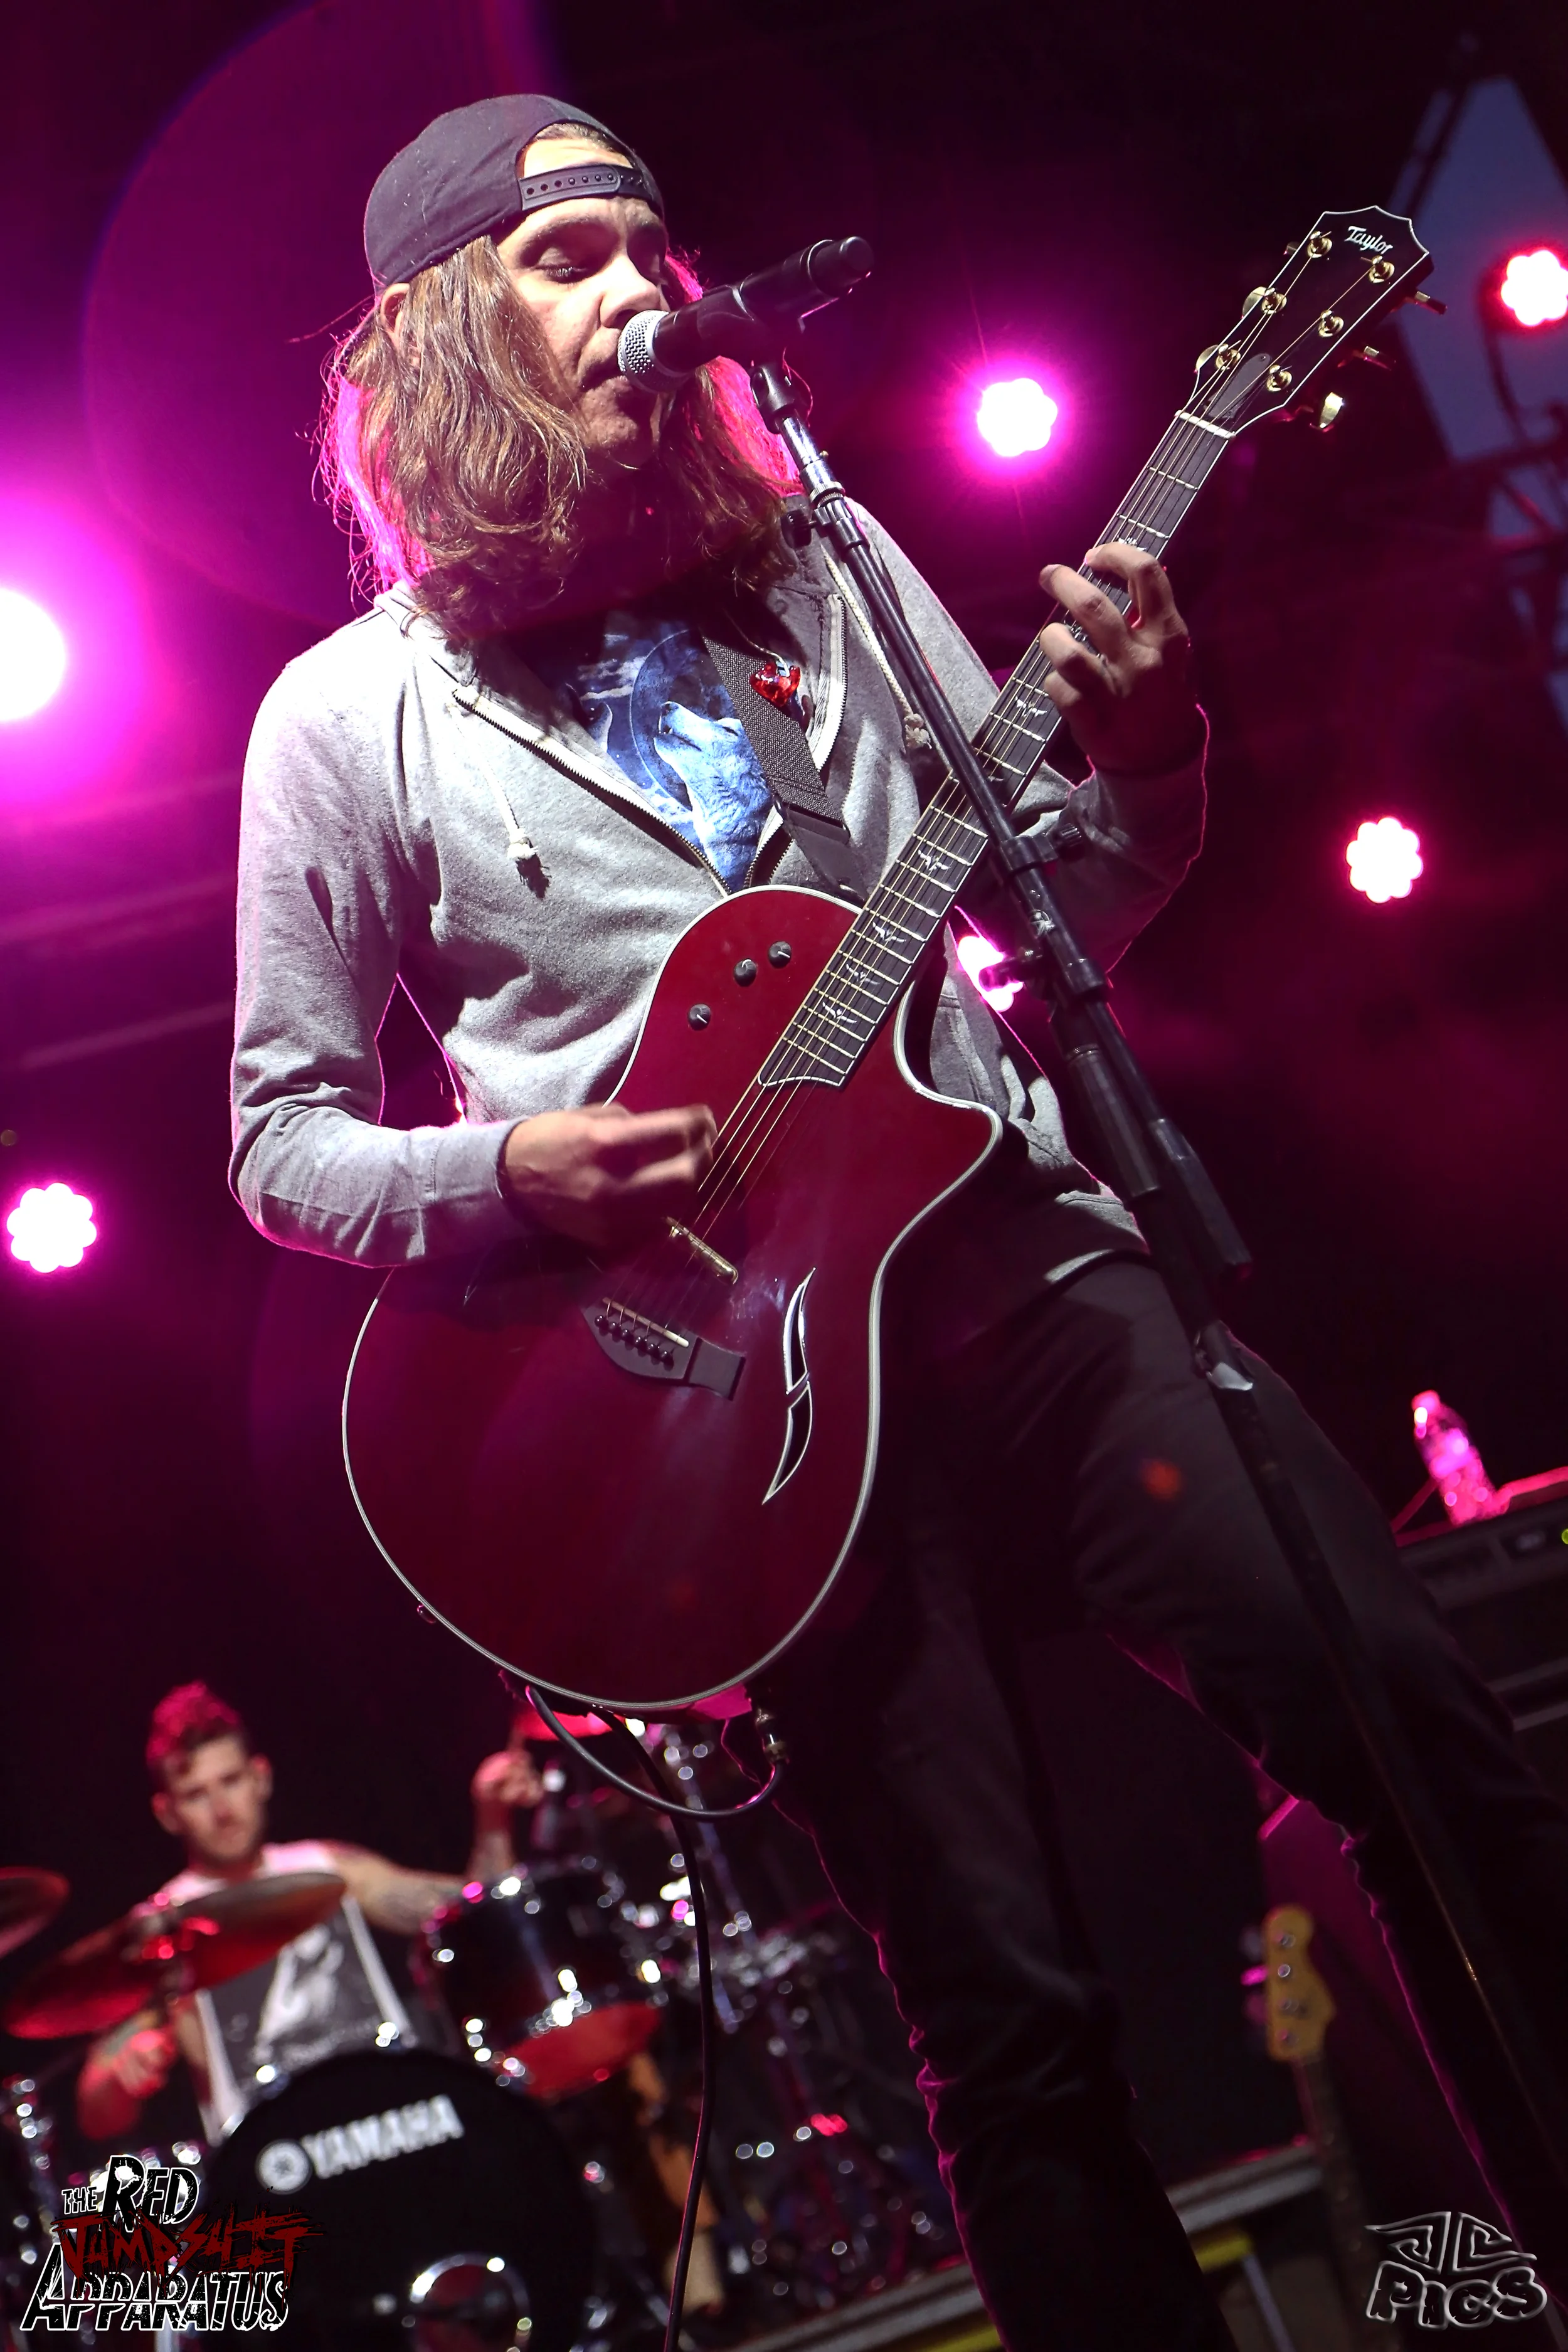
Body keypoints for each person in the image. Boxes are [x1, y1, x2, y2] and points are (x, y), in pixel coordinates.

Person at [229, 94, 1568, 2347]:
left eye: (648, 245)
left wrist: (1153, 754)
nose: (638, 288)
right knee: (1006, 2003)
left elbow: (1057, 907)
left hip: (1022, 1265)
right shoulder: (349, 720)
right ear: (445, 330)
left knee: (1422, 1737)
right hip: (740, 1416)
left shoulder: (816, 563)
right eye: (567, 257)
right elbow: (279, 1141)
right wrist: (508, 1169)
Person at [77, 1682, 515, 2144]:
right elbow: (95, 2111)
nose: (222, 1811)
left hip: (401, 2123)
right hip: (276, 2158)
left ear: (260, 1778)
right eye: (196, 1795)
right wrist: (123, 2074)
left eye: (231, 1781)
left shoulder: (329, 1868)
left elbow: (484, 1917)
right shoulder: (160, 1929)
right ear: (168, 1813)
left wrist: (494, 1817)